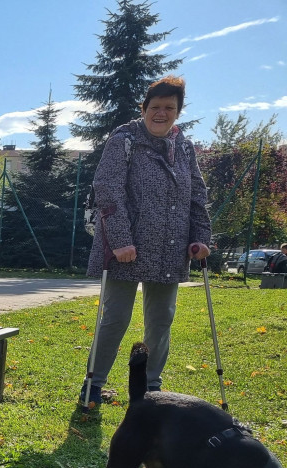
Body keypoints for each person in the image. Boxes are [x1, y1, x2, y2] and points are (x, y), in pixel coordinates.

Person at [82, 76, 211, 407]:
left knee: (161, 318)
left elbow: (197, 194)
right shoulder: (124, 140)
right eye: (155, 107)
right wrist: (121, 239)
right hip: (125, 248)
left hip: (170, 247)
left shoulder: (183, 147)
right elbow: (108, 190)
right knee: (115, 317)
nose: (161, 113)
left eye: (169, 107)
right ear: (144, 109)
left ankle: (151, 389)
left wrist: (200, 237)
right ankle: (93, 385)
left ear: (177, 112)